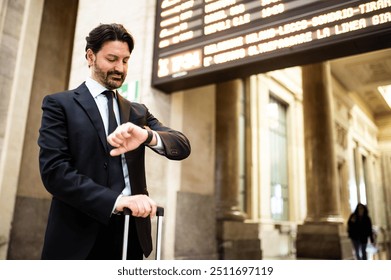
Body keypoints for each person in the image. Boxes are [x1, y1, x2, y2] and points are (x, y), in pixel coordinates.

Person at [38, 23, 191, 260]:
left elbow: (181, 146)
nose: (120, 68)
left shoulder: (137, 112)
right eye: (112, 59)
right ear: (90, 56)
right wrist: (118, 201)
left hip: (131, 236)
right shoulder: (60, 105)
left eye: (126, 60)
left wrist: (147, 136)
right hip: (77, 239)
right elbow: (54, 173)